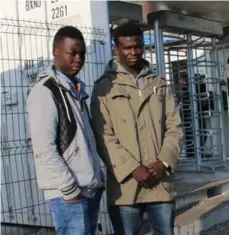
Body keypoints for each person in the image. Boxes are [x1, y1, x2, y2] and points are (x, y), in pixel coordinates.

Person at [90, 22, 183, 235]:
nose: (133, 52)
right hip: (126, 188)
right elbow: (103, 135)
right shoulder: (104, 87)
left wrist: (164, 161)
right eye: (127, 47)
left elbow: (174, 127)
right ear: (116, 49)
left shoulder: (159, 83)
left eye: (137, 46)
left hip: (160, 183)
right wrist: (132, 168)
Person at [27, 26, 104, 235]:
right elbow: (44, 149)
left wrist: (98, 175)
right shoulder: (45, 92)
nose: (78, 59)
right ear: (56, 52)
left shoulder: (76, 89)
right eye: (72, 53)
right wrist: (69, 189)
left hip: (88, 188)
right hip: (69, 194)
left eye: (82, 53)